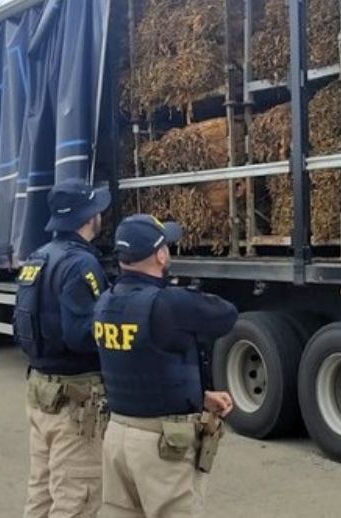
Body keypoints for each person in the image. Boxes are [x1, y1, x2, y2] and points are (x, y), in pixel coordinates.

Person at [94, 214, 239, 518]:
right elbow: (226, 315)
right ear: (160, 254)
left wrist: (200, 398)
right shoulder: (168, 304)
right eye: (167, 247)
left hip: (118, 435)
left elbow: (144, 365)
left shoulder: (105, 302)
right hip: (160, 445)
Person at [17, 180, 112, 518]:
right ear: (89, 217)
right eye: (97, 209)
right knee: (77, 498)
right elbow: (81, 335)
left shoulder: (38, 257)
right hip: (76, 398)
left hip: (42, 390)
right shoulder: (81, 264)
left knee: (41, 493)